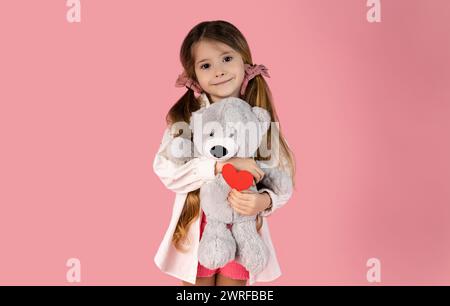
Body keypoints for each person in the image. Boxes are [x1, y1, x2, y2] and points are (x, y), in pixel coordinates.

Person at [153, 20, 296, 286]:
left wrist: (265, 201)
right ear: (194, 75)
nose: (218, 71)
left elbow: (282, 177)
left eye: (227, 58)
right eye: (206, 65)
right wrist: (219, 166)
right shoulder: (186, 120)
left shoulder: (258, 120)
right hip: (196, 232)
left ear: (245, 62)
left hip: (243, 230)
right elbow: (166, 170)